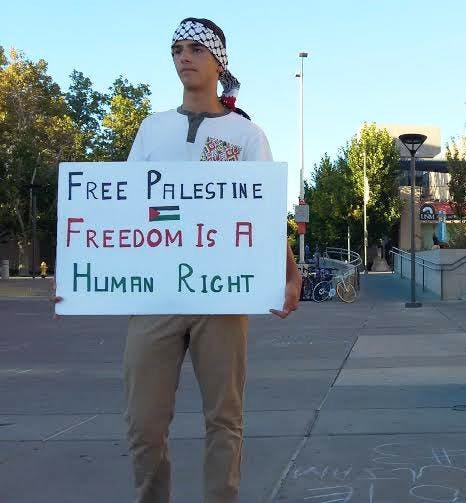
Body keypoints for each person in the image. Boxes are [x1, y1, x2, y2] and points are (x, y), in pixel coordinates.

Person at [54, 18, 302, 503]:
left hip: (221, 295)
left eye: (195, 49)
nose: (183, 57)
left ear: (218, 61)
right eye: (176, 49)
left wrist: (291, 274)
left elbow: (265, 212)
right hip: (156, 295)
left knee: (224, 419)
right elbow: (119, 207)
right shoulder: (153, 128)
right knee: (143, 423)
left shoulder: (246, 135)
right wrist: (79, 271)